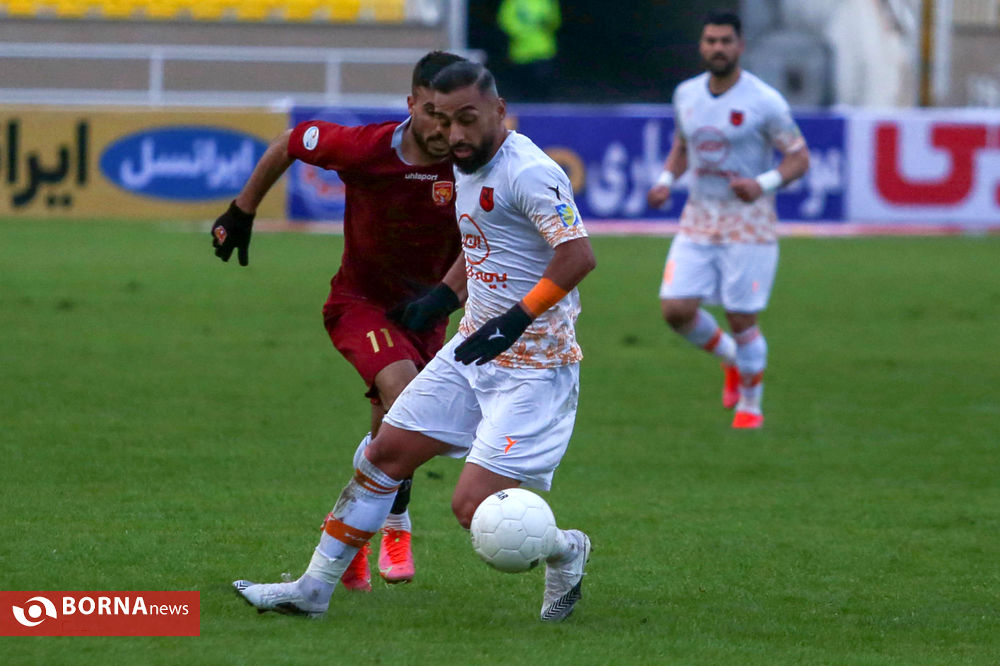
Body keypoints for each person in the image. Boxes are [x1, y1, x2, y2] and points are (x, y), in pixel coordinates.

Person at [233, 60, 596, 622]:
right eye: (444, 121)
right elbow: (485, 245)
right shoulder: (464, 162)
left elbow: (577, 256)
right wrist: (447, 298)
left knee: (471, 508)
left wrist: (518, 317)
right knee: (384, 456)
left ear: (499, 111)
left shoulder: (530, 172)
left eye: (468, 119)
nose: (454, 134)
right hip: (472, 349)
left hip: (534, 367)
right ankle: (312, 591)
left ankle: (567, 550)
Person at [211, 51, 468, 590]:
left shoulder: (474, 161)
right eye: (432, 114)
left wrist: (445, 297)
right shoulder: (365, 148)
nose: (443, 130)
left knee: (387, 434)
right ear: (411, 105)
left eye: (453, 118)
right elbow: (291, 141)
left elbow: (490, 235)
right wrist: (242, 210)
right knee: (408, 401)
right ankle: (396, 524)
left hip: (427, 315)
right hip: (360, 305)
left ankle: (348, 536)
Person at [647, 10, 810, 429]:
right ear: (702, 46)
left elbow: (799, 157)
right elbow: (683, 145)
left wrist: (763, 183)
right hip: (699, 218)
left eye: (725, 41)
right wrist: (665, 181)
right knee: (675, 310)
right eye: (711, 41)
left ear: (740, 46)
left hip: (749, 225)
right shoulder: (686, 94)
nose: (717, 48)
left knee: (740, 318)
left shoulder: (765, 101)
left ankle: (750, 407)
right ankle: (732, 359)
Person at [497, 0, 561, 101]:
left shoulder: (547, 1)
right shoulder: (513, 2)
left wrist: (547, 21)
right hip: (520, 52)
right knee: (522, 87)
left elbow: (555, 21)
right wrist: (521, 33)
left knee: (543, 83)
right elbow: (505, 20)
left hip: (543, 50)